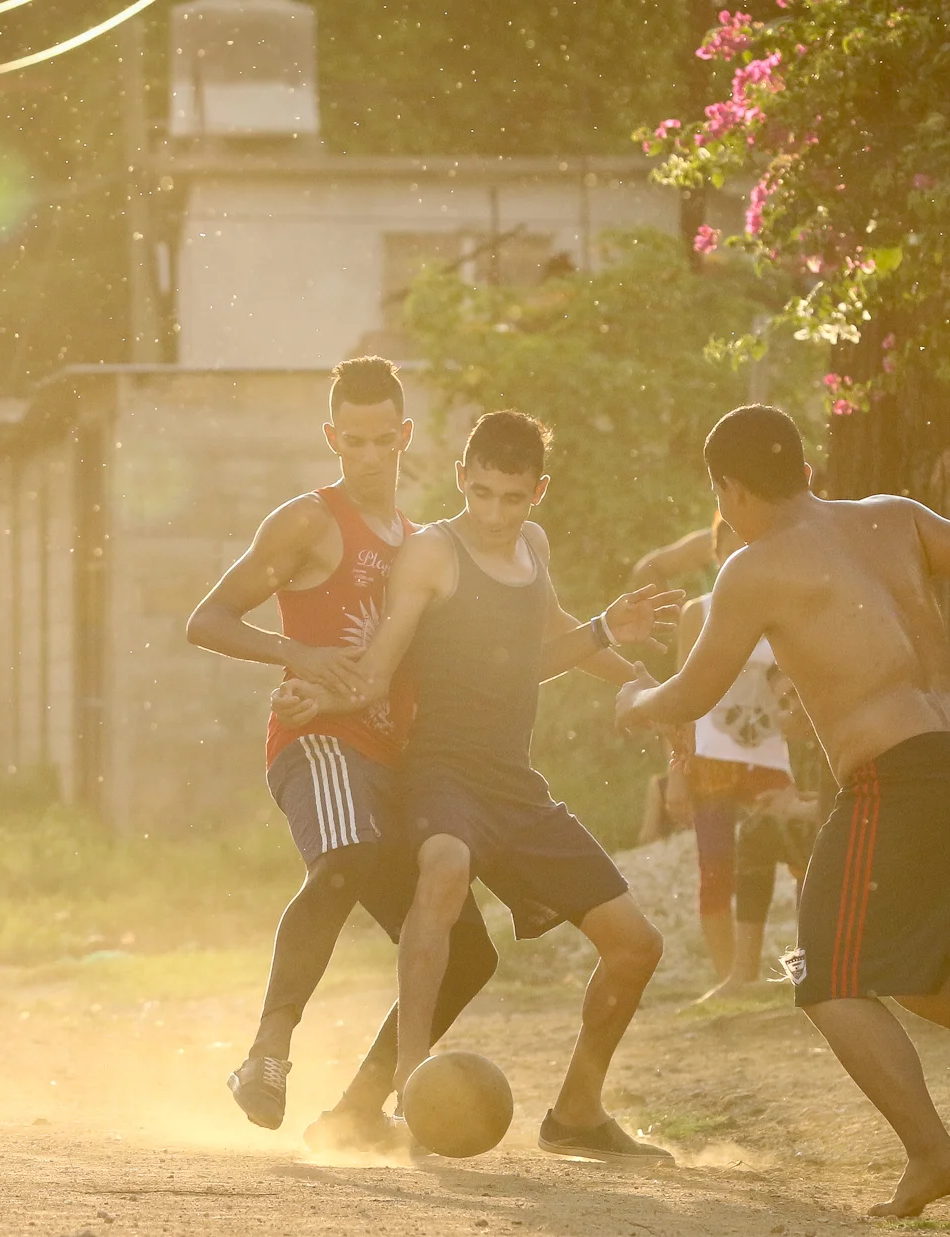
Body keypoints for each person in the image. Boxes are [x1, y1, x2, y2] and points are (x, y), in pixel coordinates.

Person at [617, 405, 950, 1217]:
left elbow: (694, 692)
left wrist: (636, 700)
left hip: (900, 778)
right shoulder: (894, 518)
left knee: (824, 975)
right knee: (912, 973)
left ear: (729, 491)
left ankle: (931, 1151)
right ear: (807, 471)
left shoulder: (755, 566)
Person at [277, 411, 684, 1162]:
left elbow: (536, 648)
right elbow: (380, 667)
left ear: (539, 493)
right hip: (442, 771)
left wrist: (638, 673)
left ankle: (578, 1113)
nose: (497, 513)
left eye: (514, 497)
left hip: (515, 785)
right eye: (484, 492)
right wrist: (321, 695)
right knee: (444, 867)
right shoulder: (433, 553)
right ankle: (409, 1084)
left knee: (636, 945)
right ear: (463, 478)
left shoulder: (532, 547)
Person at [184, 356, 498, 1149]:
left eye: (380, 440)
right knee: (344, 857)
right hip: (318, 738)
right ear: (332, 437)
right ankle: (267, 1055)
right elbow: (209, 619)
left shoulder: (426, 541)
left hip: (398, 758)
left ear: (405, 436)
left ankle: (361, 1106)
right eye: (350, 441)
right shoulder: (306, 522)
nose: (367, 455)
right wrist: (298, 654)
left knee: (466, 950)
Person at [667, 537, 817, 1000]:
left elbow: (804, 689)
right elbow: (681, 697)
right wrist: (676, 770)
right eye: (730, 546)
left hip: (770, 754)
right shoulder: (699, 612)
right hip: (710, 757)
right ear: (717, 554)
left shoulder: (787, 613)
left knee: (800, 862)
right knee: (715, 871)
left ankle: (808, 970)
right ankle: (732, 980)